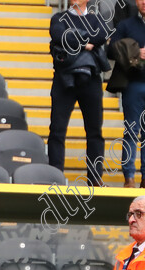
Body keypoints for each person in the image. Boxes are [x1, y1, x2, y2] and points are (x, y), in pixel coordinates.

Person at [48, 0, 108, 187]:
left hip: (91, 80)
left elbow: (101, 36)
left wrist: (75, 40)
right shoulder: (58, 17)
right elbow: (59, 36)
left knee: (94, 131)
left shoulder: (96, 19)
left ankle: (94, 178)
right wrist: (86, 43)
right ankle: (55, 175)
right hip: (64, 79)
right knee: (57, 130)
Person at [112, 0, 145, 187]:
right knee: (131, 132)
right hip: (133, 85)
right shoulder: (126, 25)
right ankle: (129, 177)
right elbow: (112, 49)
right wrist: (135, 52)